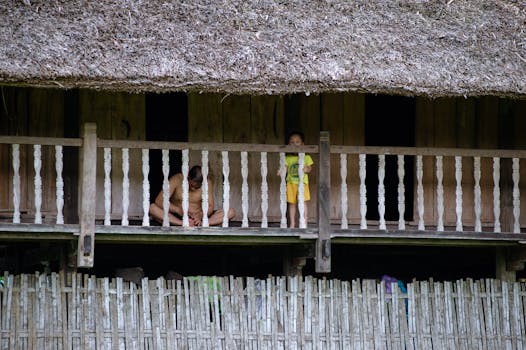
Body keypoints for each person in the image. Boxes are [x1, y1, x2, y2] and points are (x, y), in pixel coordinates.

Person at [149, 165, 235, 226]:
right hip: (177, 216)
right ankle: (181, 224)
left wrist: (200, 215)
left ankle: (204, 224)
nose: (193, 189)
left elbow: (210, 206)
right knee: (152, 208)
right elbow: (159, 201)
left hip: (199, 217)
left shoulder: (207, 183)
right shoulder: (177, 179)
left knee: (231, 212)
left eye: (197, 187)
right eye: (191, 185)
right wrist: (178, 210)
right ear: (188, 177)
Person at [278, 131, 314, 228]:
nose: (295, 144)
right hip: (291, 183)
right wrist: (281, 170)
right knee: (292, 204)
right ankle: (292, 223)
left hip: (303, 184)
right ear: (289, 145)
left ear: (302, 144)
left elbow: (310, 168)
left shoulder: (306, 156)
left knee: (303, 203)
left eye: (297, 142)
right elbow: (284, 167)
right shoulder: (288, 158)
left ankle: (304, 222)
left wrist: (307, 169)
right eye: (292, 142)